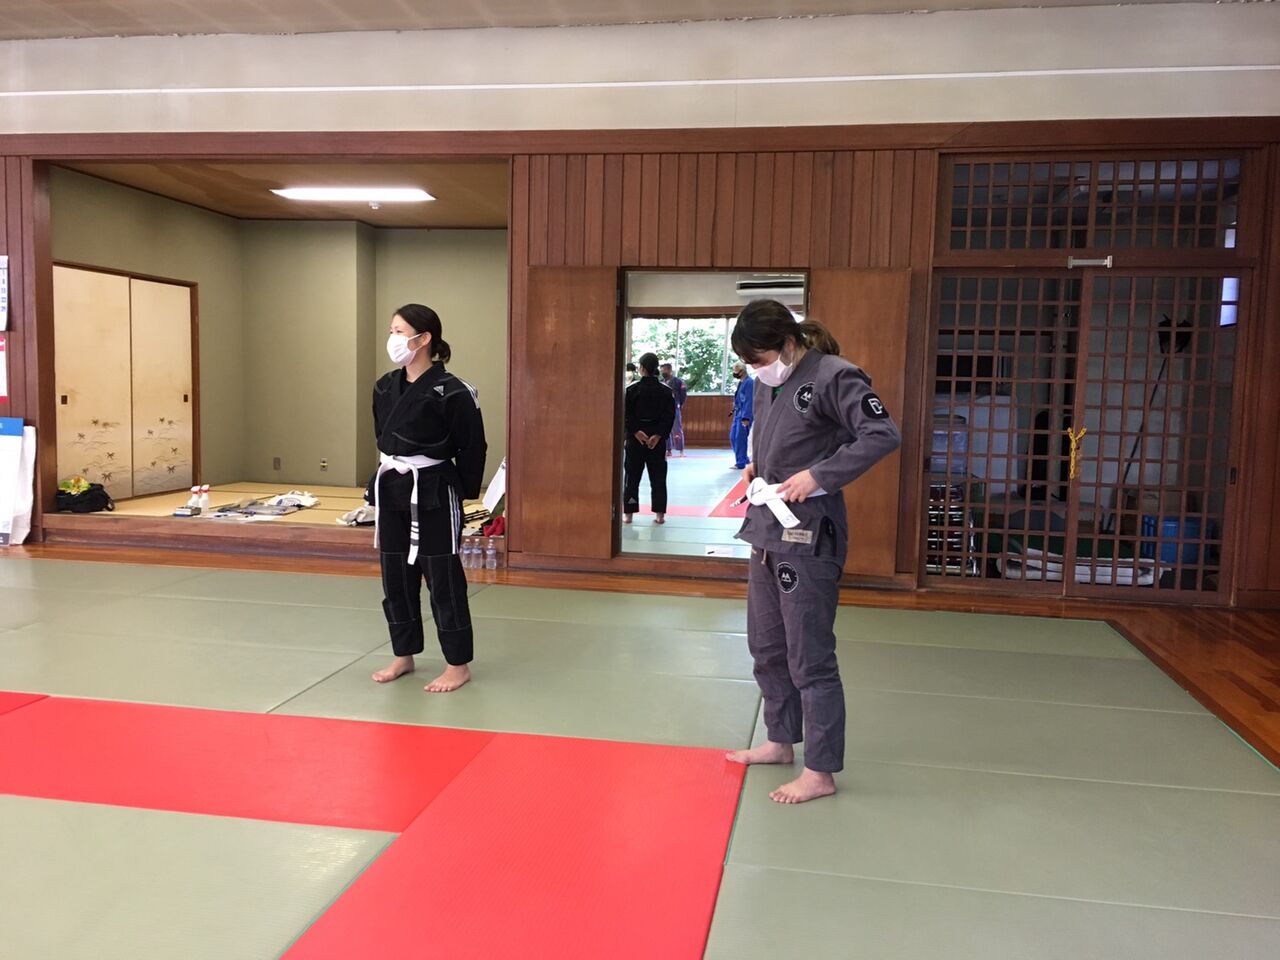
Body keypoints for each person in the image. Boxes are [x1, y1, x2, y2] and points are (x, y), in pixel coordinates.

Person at [725, 300, 900, 804]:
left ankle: (820, 770)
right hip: (766, 528)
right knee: (766, 645)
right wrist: (756, 469)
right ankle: (780, 740)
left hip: (809, 533)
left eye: (761, 358)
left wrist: (819, 476)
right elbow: (774, 441)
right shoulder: (768, 382)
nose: (757, 369)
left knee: (810, 656)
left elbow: (883, 434)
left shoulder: (835, 376)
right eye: (750, 363)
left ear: (787, 343)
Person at [367, 303, 487, 693]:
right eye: (391, 331)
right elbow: (383, 437)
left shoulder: (454, 391)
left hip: (433, 488)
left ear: (424, 339)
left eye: (399, 332)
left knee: (442, 577)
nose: (392, 338)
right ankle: (403, 653)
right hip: (393, 486)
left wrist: (463, 493)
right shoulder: (384, 386)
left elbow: (473, 447)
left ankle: (457, 664)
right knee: (395, 575)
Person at [622, 352, 676, 525]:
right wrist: (658, 435)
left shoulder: (631, 390)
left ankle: (628, 514)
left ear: (642, 368)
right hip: (656, 440)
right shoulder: (666, 391)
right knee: (658, 477)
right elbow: (669, 416)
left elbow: (625, 414)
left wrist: (636, 431)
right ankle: (660, 515)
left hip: (636, 438)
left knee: (632, 477)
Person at [729, 360, 754, 470]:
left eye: (736, 371)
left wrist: (746, 417)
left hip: (744, 414)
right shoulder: (741, 383)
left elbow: (749, 400)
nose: (734, 373)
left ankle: (741, 462)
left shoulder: (750, 383)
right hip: (737, 413)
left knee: (740, 438)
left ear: (742, 371)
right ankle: (743, 459)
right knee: (733, 437)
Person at [660, 362, 688, 458]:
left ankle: (681, 450)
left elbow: (683, 394)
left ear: (670, 370)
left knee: (677, 429)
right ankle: (668, 450)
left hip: (675, 407)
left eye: (664, 370)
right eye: (662, 371)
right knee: (665, 429)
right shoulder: (661, 382)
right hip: (664, 408)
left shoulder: (678, 381)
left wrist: (680, 404)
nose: (663, 372)